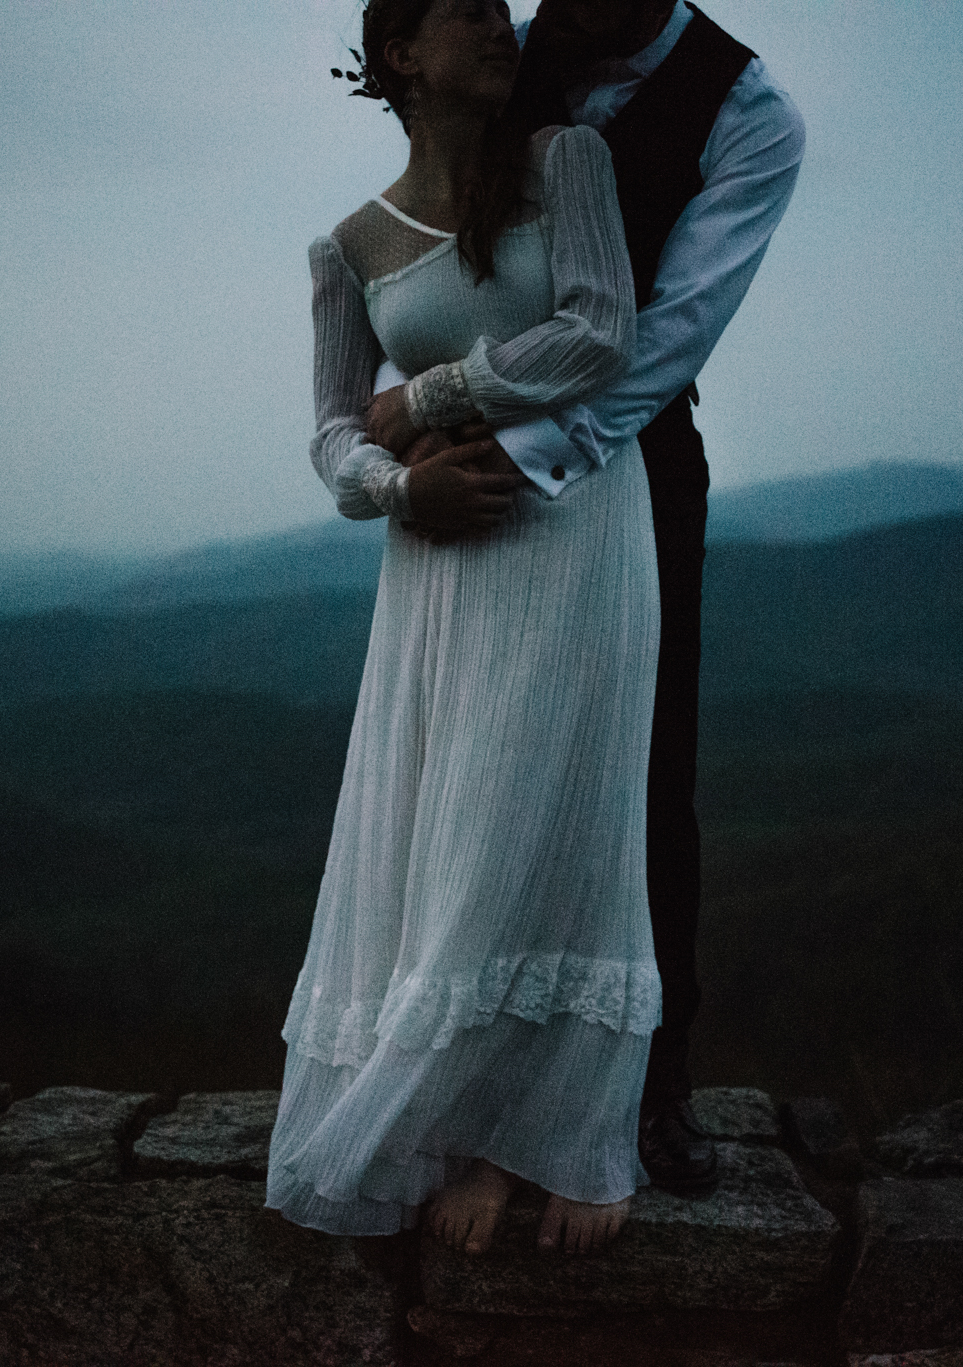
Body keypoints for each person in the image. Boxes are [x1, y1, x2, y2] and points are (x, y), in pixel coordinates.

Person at [383, 0, 806, 1193]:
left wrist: (518, 451)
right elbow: (419, 238)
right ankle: (461, 1075)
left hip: (630, 462)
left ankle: (646, 1084)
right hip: (452, 451)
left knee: (642, 768)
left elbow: (672, 331)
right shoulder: (503, 52)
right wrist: (412, 438)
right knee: (470, 761)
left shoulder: (749, 112)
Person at [265, 0, 660, 1255]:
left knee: (552, 807)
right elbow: (333, 434)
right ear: (398, 55)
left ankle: (548, 1137)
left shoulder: (566, 164)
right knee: (451, 824)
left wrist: (427, 397)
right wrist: (401, 486)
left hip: (573, 532)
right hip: (435, 566)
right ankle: (456, 1123)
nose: (505, 28)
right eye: (470, 15)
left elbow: (602, 330)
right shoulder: (348, 246)